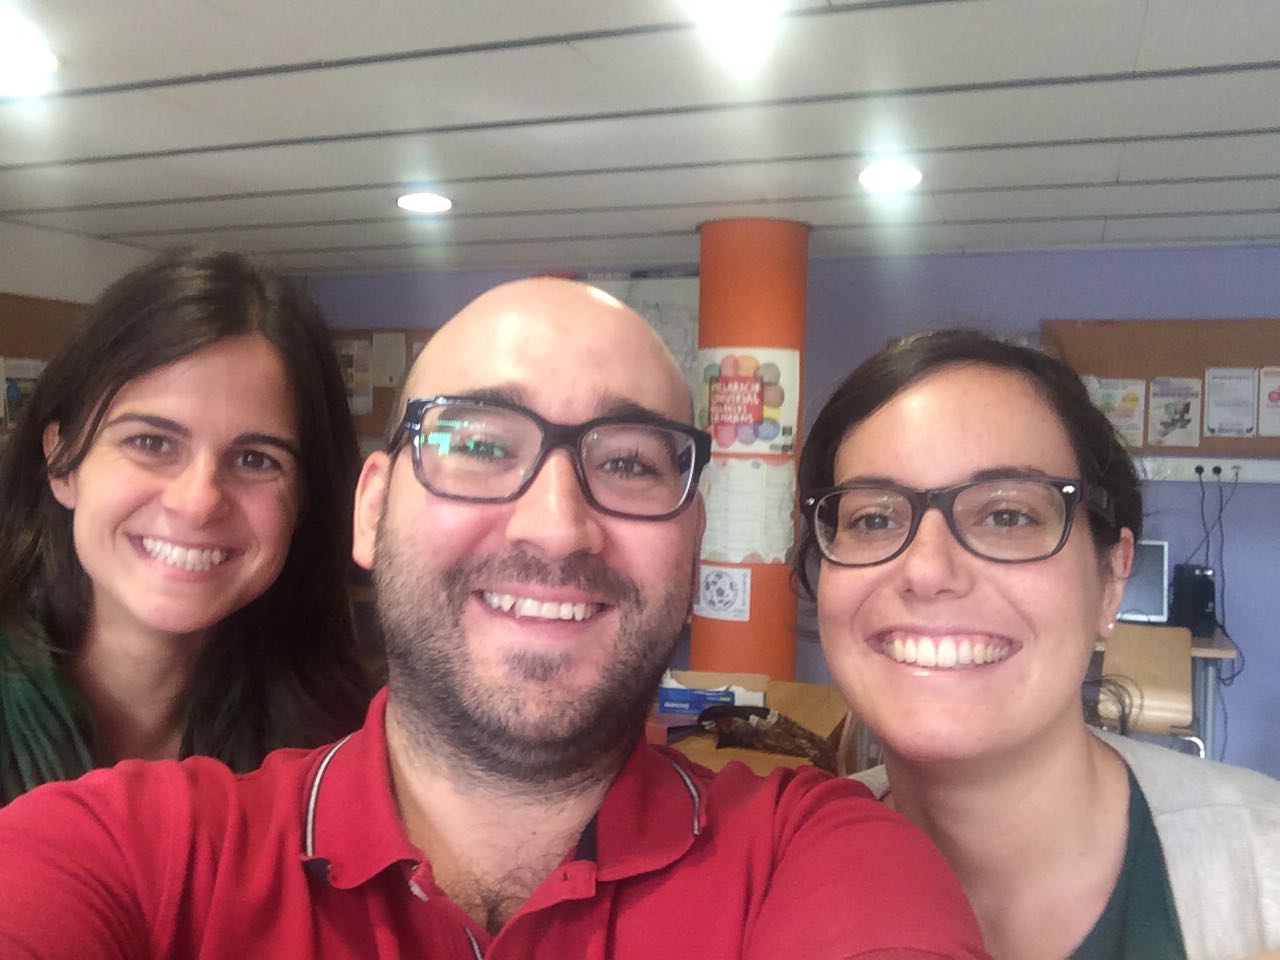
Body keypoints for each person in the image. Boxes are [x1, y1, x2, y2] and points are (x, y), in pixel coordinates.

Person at [0, 278, 989, 959]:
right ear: (370, 508)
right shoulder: (132, 850)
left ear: (693, 536)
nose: (555, 525)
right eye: (476, 445)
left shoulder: (814, 855)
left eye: (628, 462)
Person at [795, 329, 1280, 960]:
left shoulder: (1262, 871)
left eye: (1007, 516)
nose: (927, 570)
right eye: (874, 518)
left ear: (1111, 578)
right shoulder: (772, 877)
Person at [0, 249, 374, 803]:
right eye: (151, 443)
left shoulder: (346, 758)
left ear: (305, 500)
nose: (198, 503)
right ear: (61, 462)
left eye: (256, 459)